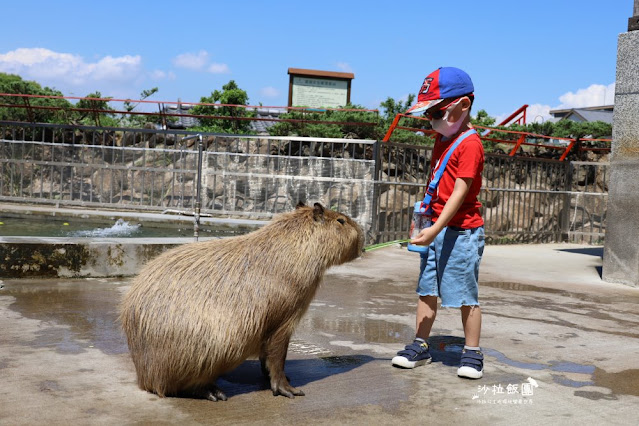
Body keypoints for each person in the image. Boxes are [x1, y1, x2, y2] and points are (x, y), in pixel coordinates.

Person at [391, 67, 486, 379]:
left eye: (437, 110)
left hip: (461, 231)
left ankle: (472, 351)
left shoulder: (470, 143)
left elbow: (460, 191)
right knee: (426, 289)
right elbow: (436, 182)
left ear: (463, 105)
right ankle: (420, 344)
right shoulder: (442, 139)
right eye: (428, 111)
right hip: (435, 226)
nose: (431, 117)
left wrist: (436, 227)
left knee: (464, 294)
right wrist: (424, 222)